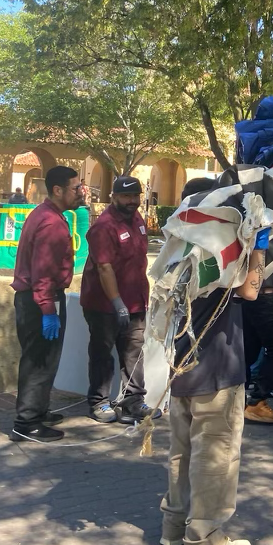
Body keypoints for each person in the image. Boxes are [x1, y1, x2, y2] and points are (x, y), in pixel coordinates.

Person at [159, 176, 269, 545]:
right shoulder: (220, 248)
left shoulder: (177, 244)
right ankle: (204, 541)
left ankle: (173, 526)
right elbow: (250, 290)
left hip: (181, 367)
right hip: (217, 370)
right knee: (215, 456)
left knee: (181, 452)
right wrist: (256, 249)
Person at [10, 165, 83, 441]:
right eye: (76, 188)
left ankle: (38, 410)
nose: (80, 193)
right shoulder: (51, 222)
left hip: (37, 299)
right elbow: (42, 273)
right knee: (39, 361)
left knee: (45, 359)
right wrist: (48, 310)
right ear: (58, 190)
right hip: (40, 300)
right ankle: (26, 423)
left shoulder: (46, 214)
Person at [80, 175, 158, 425]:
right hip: (104, 305)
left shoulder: (137, 219)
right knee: (103, 353)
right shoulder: (104, 226)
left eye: (135, 196)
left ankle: (133, 400)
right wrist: (117, 303)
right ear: (114, 197)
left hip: (135, 301)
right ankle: (99, 402)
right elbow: (104, 268)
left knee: (134, 352)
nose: (132, 201)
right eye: (126, 196)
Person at [242, 268, 273, 424]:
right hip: (265, 295)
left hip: (245, 295)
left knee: (247, 351)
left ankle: (237, 400)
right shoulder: (265, 243)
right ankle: (257, 401)